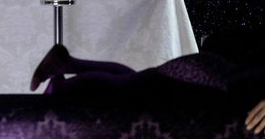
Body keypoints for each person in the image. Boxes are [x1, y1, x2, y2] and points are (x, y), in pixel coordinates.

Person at [29, 43, 264, 132]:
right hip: (225, 81)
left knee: (137, 85)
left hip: (226, 78)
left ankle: (66, 65)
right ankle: (61, 83)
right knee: (132, 90)